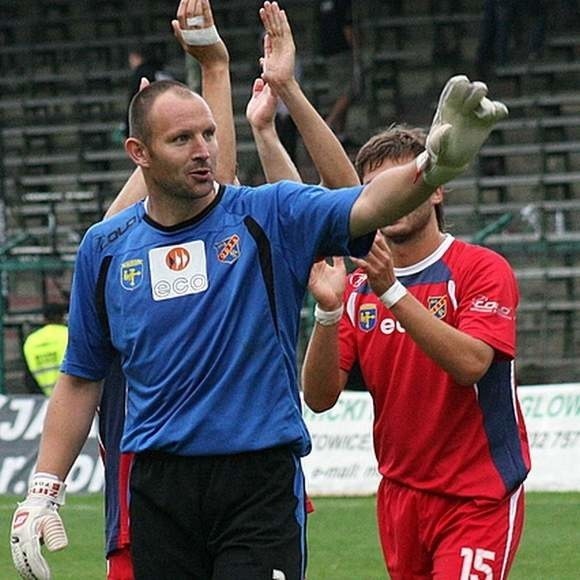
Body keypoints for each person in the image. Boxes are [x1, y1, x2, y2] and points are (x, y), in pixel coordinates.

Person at [9, 1, 508, 578]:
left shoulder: (267, 214)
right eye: (181, 140)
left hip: (258, 482)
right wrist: (44, 486)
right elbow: (81, 374)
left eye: (209, 134)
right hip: (157, 485)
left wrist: (432, 167)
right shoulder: (106, 247)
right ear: (138, 154)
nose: (203, 150)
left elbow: (367, 201)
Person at [302, 125, 531, 579]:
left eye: (404, 183)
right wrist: (328, 313)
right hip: (400, 497)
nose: (393, 200)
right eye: (376, 191)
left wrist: (391, 294)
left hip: (477, 496)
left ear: (435, 191)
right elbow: (319, 397)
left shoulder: (481, 268)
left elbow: (471, 365)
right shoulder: (355, 290)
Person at [316, 0, 355, 141]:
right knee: (349, 91)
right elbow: (348, 29)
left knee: (339, 92)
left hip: (328, 52)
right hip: (342, 52)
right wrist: (356, 49)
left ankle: (340, 134)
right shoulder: (342, 3)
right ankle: (328, 124)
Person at [22, 303, 68, 397]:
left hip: (41, 399)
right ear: (63, 317)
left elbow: (28, 377)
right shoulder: (69, 334)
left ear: (44, 319)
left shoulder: (31, 340)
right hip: (69, 396)